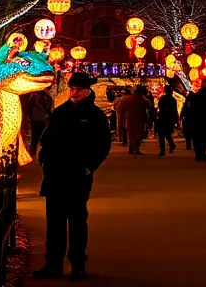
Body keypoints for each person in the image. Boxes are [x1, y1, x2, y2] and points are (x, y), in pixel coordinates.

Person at [33, 72, 111, 281]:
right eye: (71, 88)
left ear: (87, 90)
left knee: (77, 221)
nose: (73, 92)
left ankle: (78, 264)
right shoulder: (60, 112)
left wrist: (88, 167)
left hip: (78, 176)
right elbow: (47, 138)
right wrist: (44, 160)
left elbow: (103, 145)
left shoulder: (95, 115)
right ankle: (53, 264)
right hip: (55, 175)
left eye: (77, 89)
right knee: (54, 222)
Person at [118, 86, 151, 155]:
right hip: (139, 117)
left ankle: (131, 148)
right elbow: (148, 106)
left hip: (129, 117)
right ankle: (136, 149)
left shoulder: (127, 99)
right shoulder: (143, 99)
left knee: (131, 133)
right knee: (138, 133)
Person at [26, 87, 54, 156]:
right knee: (41, 135)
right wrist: (49, 118)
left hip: (35, 119)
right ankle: (41, 152)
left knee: (34, 136)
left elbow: (29, 107)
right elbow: (49, 109)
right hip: (42, 119)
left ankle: (32, 153)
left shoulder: (34, 97)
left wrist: (29, 115)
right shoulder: (48, 98)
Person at [155, 85, 178, 156]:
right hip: (170, 118)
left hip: (162, 117)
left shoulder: (162, 98)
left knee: (161, 135)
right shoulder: (173, 99)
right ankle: (172, 144)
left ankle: (162, 150)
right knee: (168, 134)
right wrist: (176, 120)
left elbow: (159, 107)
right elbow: (175, 110)